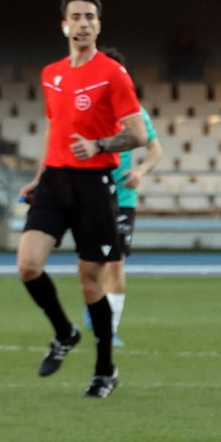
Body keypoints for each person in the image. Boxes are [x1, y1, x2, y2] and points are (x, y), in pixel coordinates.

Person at [15, 0, 148, 399]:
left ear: (99, 26)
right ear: (65, 26)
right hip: (55, 182)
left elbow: (138, 135)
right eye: (76, 17)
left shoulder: (113, 74)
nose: (83, 23)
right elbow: (54, 128)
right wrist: (39, 176)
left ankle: (105, 370)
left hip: (94, 185)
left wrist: (100, 145)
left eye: (90, 17)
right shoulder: (51, 74)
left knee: (91, 282)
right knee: (28, 265)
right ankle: (64, 332)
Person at [79, 48, 163, 348]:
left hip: (124, 196)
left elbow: (156, 150)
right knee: (93, 263)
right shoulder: (87, 108)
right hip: (93, 191)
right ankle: (95, 303)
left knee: (116, 261)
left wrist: (140, 170)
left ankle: (109, 328)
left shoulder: (136, 113)